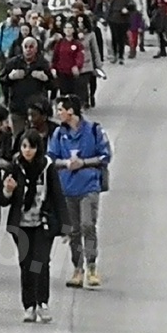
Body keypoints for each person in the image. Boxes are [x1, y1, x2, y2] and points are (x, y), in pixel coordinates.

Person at [0, 129, 70, 324]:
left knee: (40, 262)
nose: (27, 151)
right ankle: (28, 305)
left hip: (42, 224)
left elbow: (57, 196)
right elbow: (3, 200)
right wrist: (7, 190)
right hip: (20, 226)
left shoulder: (47, 167)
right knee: (26, 264)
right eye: (24, 146)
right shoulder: (15, 167)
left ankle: (42, 303)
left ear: (38, 148)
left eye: (31, 146)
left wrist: (65, 226)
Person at [47, 94, 111, 289]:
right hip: (67, 187)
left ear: (71, 111)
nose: (58, 114)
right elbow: (51, 158)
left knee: (87, 225)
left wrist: (84, 163)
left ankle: (91, 265)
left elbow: (105, 155)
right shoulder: (59, 134)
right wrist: (66, 163)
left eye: (60, 110)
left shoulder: (93, 130)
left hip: (89, 185)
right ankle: (77, 267)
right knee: (73, 230)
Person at [1, 37, 54, 136]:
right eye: (26, 47)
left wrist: (45, 78)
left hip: (37, 110)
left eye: (31, 47)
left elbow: (53, 86)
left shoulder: (43, 64)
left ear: (36, 49)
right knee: (18, 137)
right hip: (18, 107)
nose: (28, 49)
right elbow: (2, 80)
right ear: (22, 48)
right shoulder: (13, 63)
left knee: (36, 138)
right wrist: (10, 77)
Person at [50, 22, 84, 98]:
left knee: (73, 95)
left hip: (73, 73)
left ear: (73, 30)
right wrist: (53, 68)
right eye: (66, 28)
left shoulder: (77, 44)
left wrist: (77, 66)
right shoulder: (59, 43)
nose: (68, 30)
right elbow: (55, 57)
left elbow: (80, 56)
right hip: (61, 72)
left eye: (70, 28)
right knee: (63, 94)